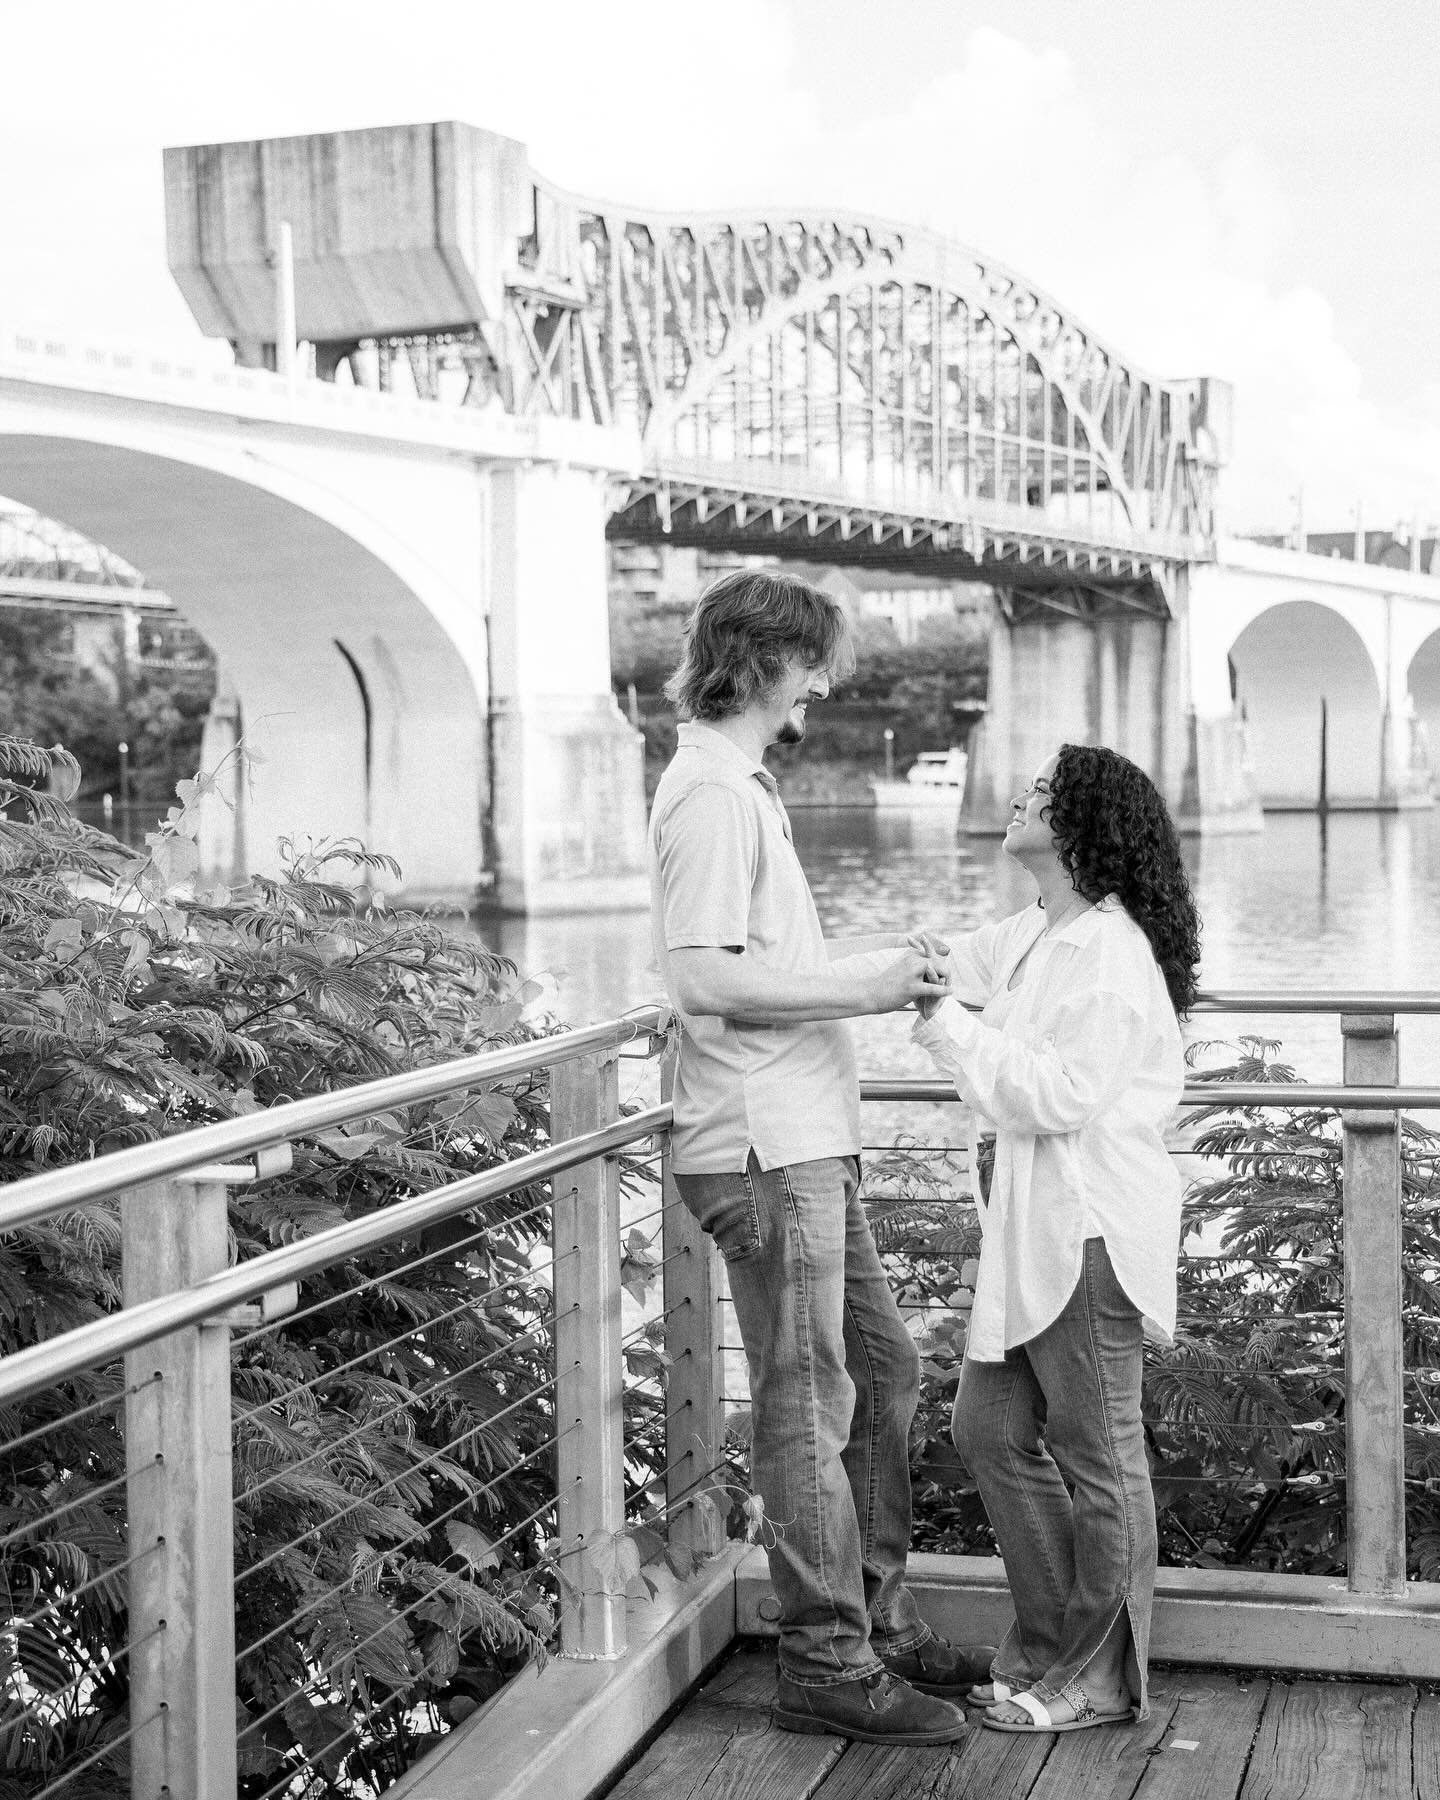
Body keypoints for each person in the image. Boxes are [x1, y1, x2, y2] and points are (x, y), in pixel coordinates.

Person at [649, 567, 992, 1747]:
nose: (827, 684)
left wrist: (876, 963)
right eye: (813, 663)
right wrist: (867, 982)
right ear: (763, 661)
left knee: (883, 1374)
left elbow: (760, 959)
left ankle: (874, 1621)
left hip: (804, 1140)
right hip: (761, 1146)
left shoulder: (742, 786)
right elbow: (705, 981)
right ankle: (826, 1662)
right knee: (804, 1406)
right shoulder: (710, 796)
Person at [909, 743, 1199, 1735]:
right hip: (1035, 1230)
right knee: (986, 1430)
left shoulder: (1108, 957)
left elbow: (1058, 1095)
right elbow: (952, 965)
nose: (1018, 798)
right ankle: (1048, 1646)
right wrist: (896, 974)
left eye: (1038, 792)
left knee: (1100, 1455)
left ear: (1076, 828)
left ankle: (1098, 1679)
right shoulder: (1041, 930)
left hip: (1088, 1228)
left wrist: (945, 1027)